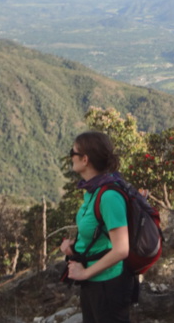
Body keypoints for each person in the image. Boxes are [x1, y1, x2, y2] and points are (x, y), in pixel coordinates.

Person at [60, 131, 134, 323]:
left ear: (85, 159)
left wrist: (85, 273)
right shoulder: (92, 190)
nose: (70, 157)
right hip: (94, 283)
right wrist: (73, 248)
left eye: (72, 153)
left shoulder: (109, 196)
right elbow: (98, 234)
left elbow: (121, 249)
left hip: (109, 284)